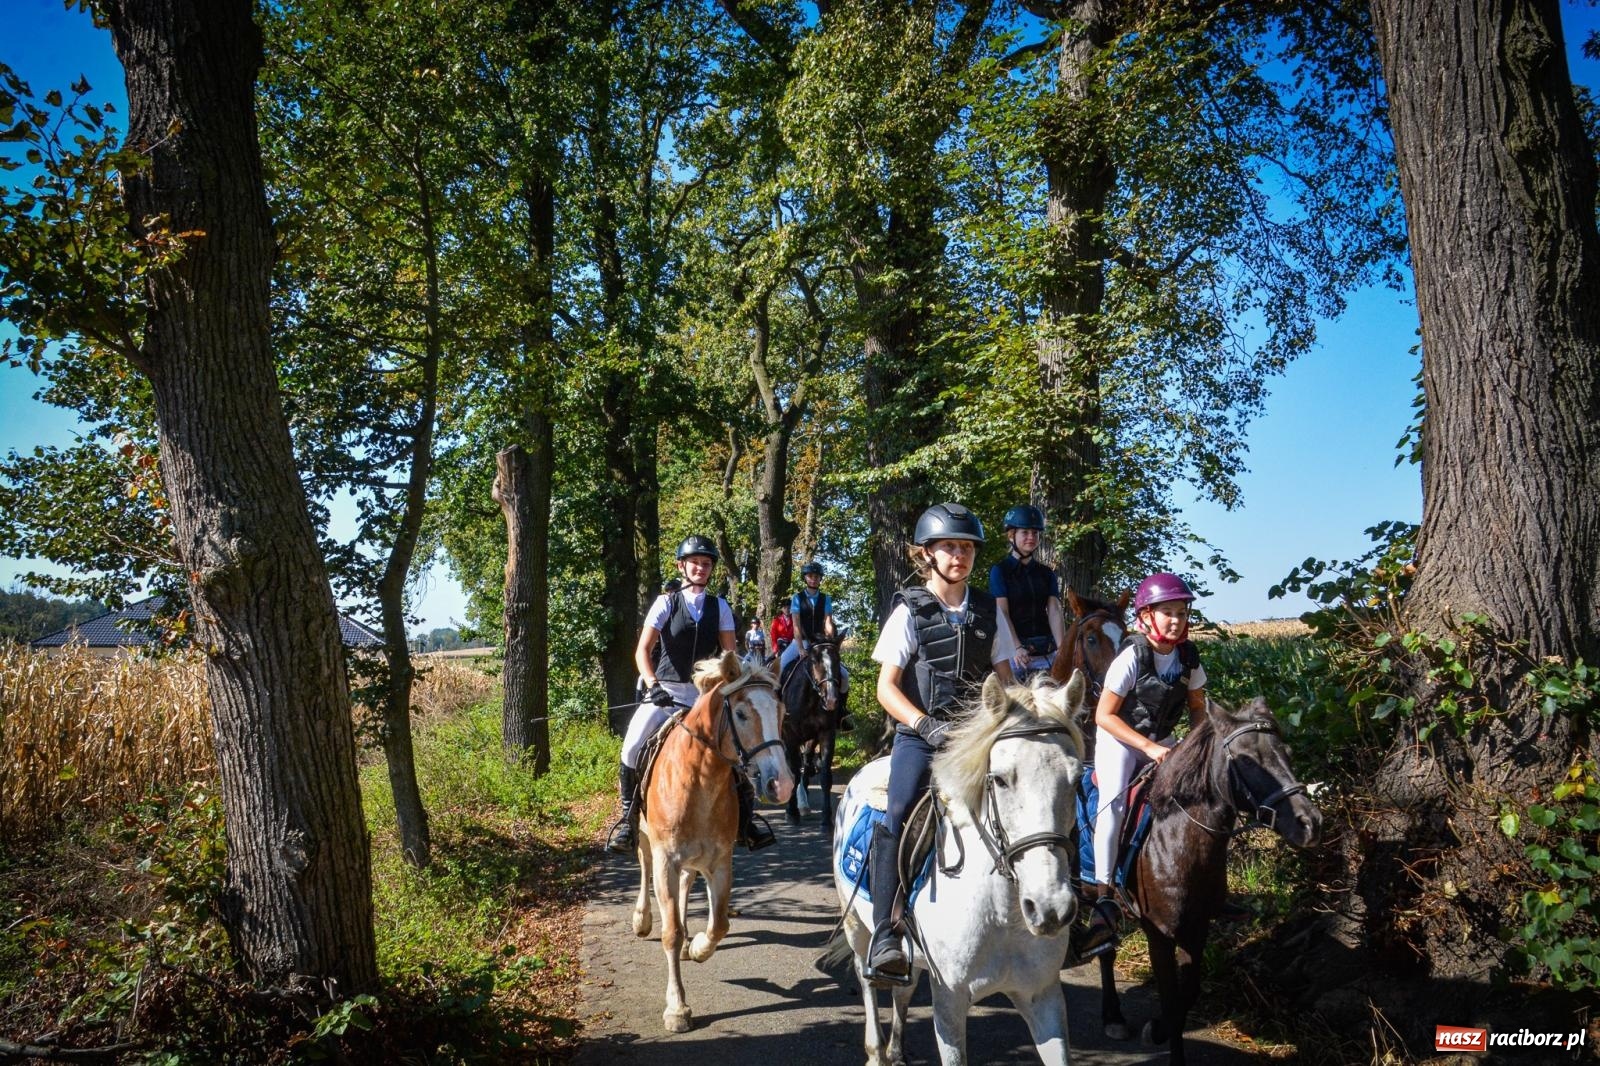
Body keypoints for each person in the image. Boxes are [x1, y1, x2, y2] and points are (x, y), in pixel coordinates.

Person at [863, 503, 1017, 986]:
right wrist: (923, 724)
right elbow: (885, 687)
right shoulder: (909, 609)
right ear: (926, 554)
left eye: (967, 547)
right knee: (900, 809)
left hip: (977, 737)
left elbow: (1007, 678)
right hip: (922, 738)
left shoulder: (990, 612)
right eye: (950, 546)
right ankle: (886, 932)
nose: (960, 555)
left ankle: (1055, 913)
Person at [606, 536, 777, 853]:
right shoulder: (666, 603)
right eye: (695, 562)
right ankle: (627, 822)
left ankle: (747, 824)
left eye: (707, 564)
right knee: (630, 748)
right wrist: (652, 683)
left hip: (704, 696)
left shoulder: (720, 606)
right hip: (666, 692)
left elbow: (730, 656)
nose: (701, 568)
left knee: (738, 752)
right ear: (682, 566)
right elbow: (642, 651)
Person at [1076, 571, 1207, 957]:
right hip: (1121, 739)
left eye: (1181, 613)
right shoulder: (1131, 655)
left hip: (1161, 739)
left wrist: (1196, 746)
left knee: (1199, 799)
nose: (1176, 620)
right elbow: (1104, 716)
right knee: (1114, 803)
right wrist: (1149, 750)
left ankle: (1201, 888)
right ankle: (1103, 896)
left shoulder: (1189, 657)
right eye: (1167, 612)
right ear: (1146, 616)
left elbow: (1198, 707)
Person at [988, 504, 1065, 681]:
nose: (1031, 537)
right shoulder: (1000, 571)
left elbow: (1054, 610)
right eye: (1025, 533)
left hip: (1047, 652)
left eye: (1035, 533)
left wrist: (1062, 649)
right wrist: (1015, 646)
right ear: (1011, 535)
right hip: (1017, 655)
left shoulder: (1046, 573)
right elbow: (1002, 613)